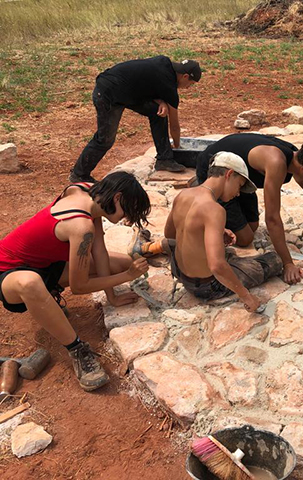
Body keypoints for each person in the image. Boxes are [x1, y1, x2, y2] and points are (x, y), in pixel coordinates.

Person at [0, 172, 151, 391]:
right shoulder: (81, 226)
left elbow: (100, 252)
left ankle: (48, 295)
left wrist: (112, 297)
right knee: (30, 283)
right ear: (117, 198)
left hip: (46, 265)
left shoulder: (88, 191)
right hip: (8, 271)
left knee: (123, 263)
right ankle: (77, 349)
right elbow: (79, 287)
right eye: (127, 210)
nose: (126, 218)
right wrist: (128, 276)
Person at [130, 152, 282, 311]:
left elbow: (170, 235)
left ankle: (147, 248)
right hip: (206, 287)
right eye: (239, 185)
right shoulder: (214, 210)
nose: (238, 193)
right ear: (229, 174)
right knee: (272, 260)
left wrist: (212, 229)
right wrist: (246, 296)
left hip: (179, 271)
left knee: (196, 243)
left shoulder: (183, 195)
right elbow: (217, 266)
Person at [192, 133, 303, 284]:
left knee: (252, 226)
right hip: (216, 172)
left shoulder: (295, 156)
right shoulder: (276, 162)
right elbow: (272, 219)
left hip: (241, 180)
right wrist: (288, 264)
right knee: (245, 238)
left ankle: (214, 194)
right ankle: (201, 187)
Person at [69, 56, 201, 183]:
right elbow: (174, 125)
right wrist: (178, 147)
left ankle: (164, 159)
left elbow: (144, 82)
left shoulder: (164, 64)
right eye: (190, 84)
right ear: (185, 76)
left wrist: (161, 101)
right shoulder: (169, 86)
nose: (188, 88)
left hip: (125, 91)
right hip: (108, 93)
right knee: (105, 139)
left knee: (157, 112)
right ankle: (79, 174)